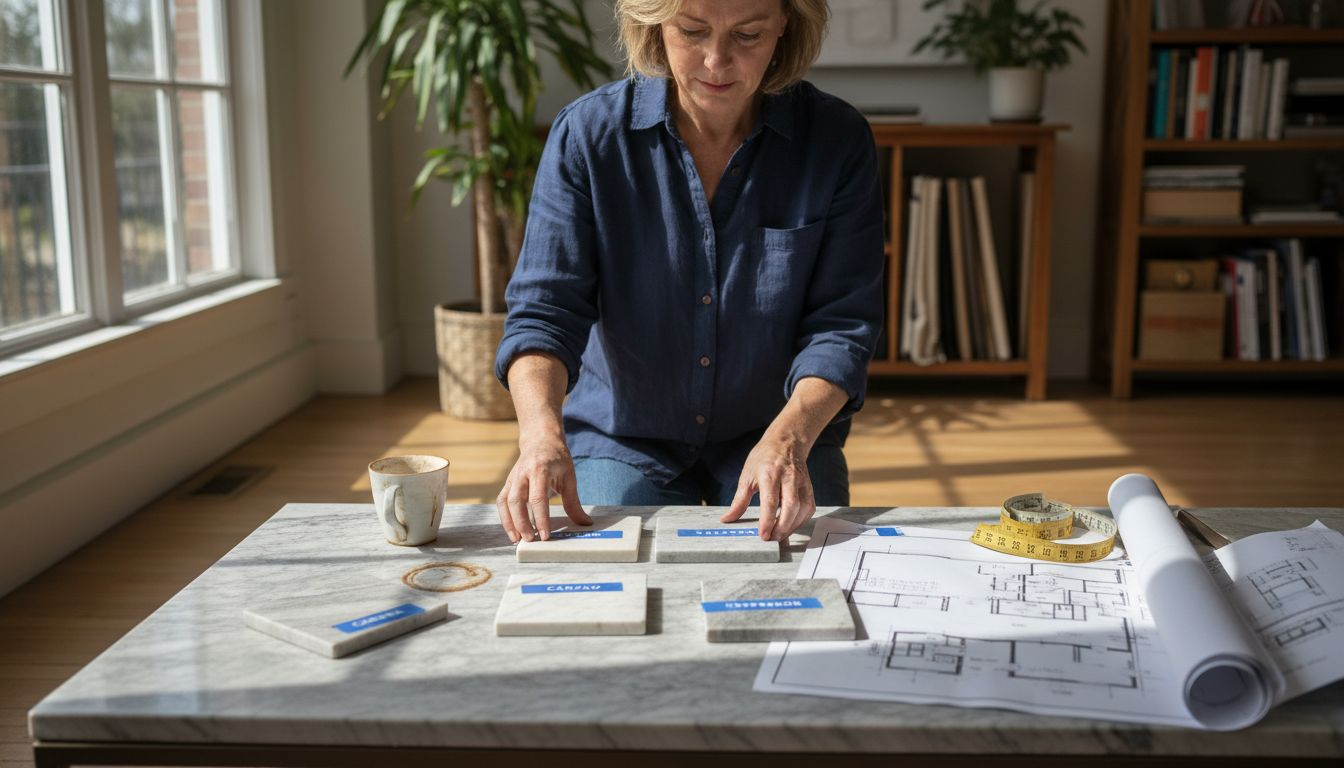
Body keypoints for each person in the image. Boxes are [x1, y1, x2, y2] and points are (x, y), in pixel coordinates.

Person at [493, 0, 883, 545]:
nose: (716, 61)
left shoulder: (837, 139)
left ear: (784, 25)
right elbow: (544, 312)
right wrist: (540, 434)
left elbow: (842, 325)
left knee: (800, 566)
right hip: (623, 436)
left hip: (778, 429)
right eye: (693, 31)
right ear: (653, 24)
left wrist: (791, 438)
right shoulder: (587, 134)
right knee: (603, 564)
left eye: (747, 35)